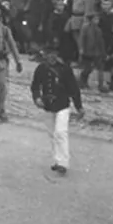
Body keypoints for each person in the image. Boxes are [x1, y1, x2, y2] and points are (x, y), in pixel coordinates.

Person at [31, 46, 84, 176]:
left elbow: (73, 88)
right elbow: (35, 86)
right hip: (48, 106)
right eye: (49, 53)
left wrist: (79, 106)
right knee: (52, 134)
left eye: (53, 53)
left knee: (61, 132)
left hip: (62, 105)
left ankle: (63, 163)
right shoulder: (41, 69)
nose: (51, 56)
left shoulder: (65, 69)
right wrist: (37, 98)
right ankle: (57, 160)